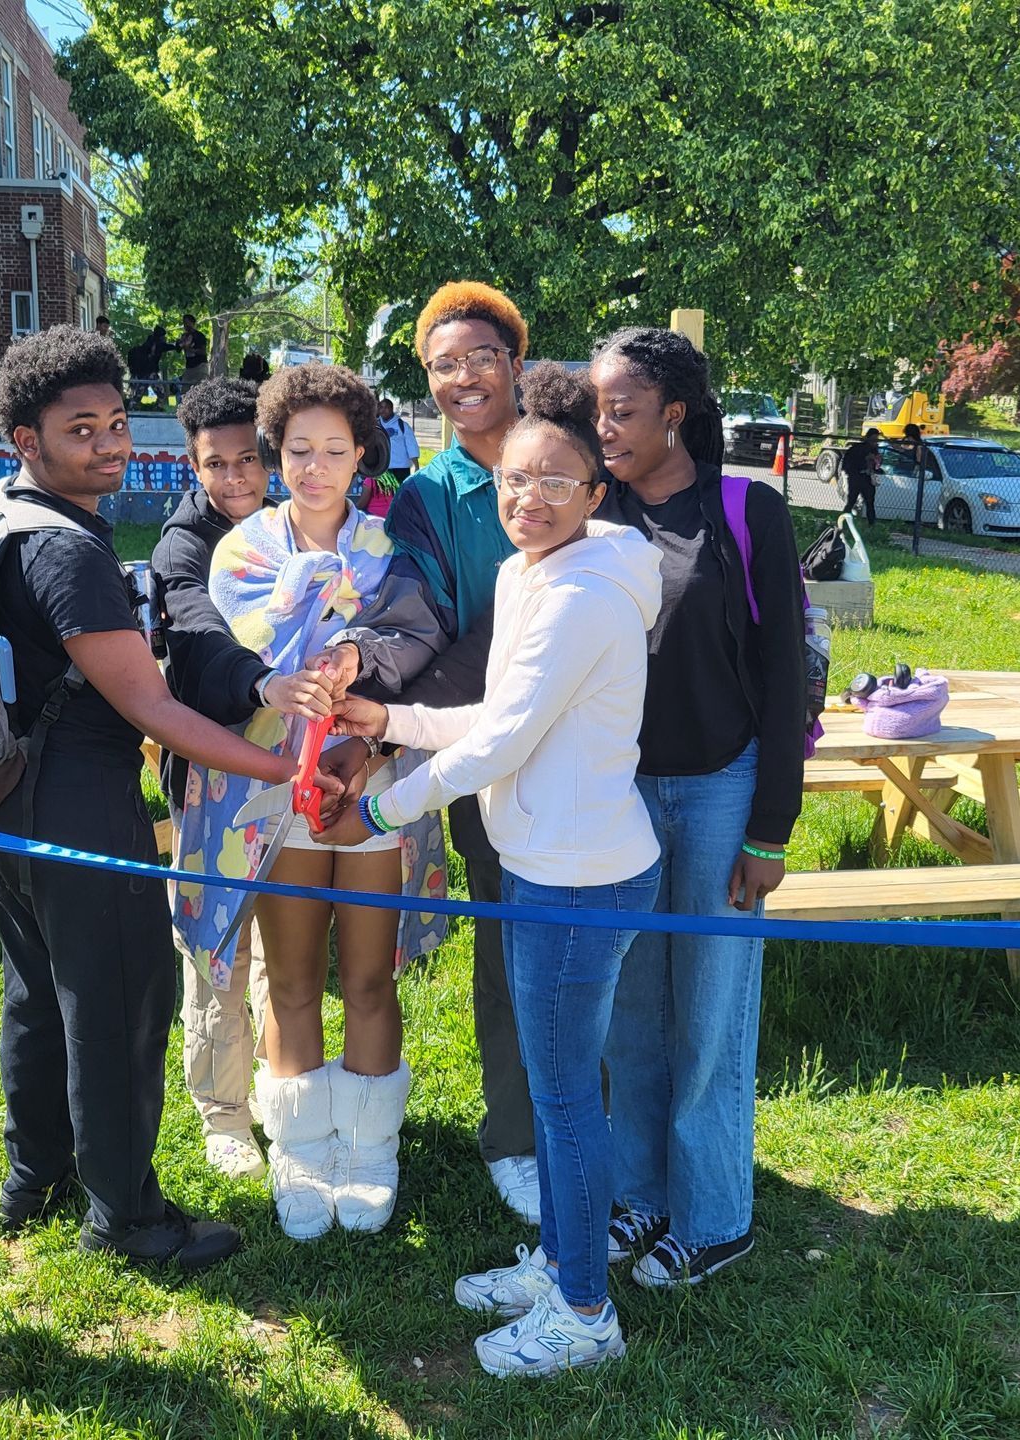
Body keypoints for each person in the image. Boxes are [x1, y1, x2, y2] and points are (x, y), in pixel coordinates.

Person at [0, 326, 337, 1269]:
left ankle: (36, 1177)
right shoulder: (69, 553)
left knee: (38, 992)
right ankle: (128, 1219)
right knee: (120, 1002)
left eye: (117, 422)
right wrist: (283, 771)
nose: (108, 444)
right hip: (74, 801)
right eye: (80, 429)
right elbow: (154, 708)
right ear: (26, 440)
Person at [321, 367, 661, 1377]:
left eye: (557, 482)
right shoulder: (529, 574)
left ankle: (586, 1313)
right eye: (516, 479)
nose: (530, 499)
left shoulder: (585, 594)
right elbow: (496, 715)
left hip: (579, 877)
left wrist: (380, 806)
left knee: (565, 1101)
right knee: (558, 1095)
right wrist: (390, 718)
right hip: (542, 863)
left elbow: (501, 744)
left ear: (596, 491)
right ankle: (560, 1262)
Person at [171, 362, 450, 1242]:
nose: (316, 467)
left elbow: (417, 645)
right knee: (290, 979)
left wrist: (358, 686)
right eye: (299, 450)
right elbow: (225, 656)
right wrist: (277, 683)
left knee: (368, 977)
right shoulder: (241, 552)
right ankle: (299, 1148)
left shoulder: (391, 550)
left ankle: (369, 1148)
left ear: (363, 452)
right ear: (276, 452)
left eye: (335, 449)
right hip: (271, 791)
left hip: (368, 787)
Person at [591, 326, 806, 1288]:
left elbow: (784, 673)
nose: (603, 428)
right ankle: (641, 1195)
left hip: (724, 789)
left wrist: (771, 829)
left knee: (710, 1012)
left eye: (622, 411)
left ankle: (715, 1216)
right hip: (622, 794)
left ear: (674, 414)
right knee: (633, 1009)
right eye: (596, 410)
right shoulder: (593, 515)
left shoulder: (747, 511)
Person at [154, 377, 348, 1181]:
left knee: (283, 945)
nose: (234, 478)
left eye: (247, 461)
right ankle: (222, 1114)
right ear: (193, 466)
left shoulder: (299, 527)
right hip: (219, 772)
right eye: (215, 464)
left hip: (302, 773)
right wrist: (262, 682)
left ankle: (281, 1086)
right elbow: (201, 636)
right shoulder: (187, 547)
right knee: (218, 948)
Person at [383, 280, 541, 1223]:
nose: (465, 377)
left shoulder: (569, 455)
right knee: (509, 942)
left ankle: (606, 1117)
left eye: (482, 356)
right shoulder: (427, 498)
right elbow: (424, 625)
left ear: (516, 361)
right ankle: (516, 1135)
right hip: (488, 751)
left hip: (603, 747)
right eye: (444, 365)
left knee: (609, 937)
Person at [127, 324, 177, 408]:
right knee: (157, 394)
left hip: (146, 374)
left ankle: (156, 408)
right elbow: (168, 347)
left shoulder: (151, 343)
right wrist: (178, 345)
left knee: (139, 395)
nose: (164, 339)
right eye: (163, 337)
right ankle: (156, 408)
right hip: (148, 374)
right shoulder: (156, 344)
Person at [841, 426, 882, 524]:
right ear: (868, 438)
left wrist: (876, 462)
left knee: (869, 503)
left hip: (867, 478)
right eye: (873, 439)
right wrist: (866, 459)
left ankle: (871, 524)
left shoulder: (874, 449)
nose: (875, 442)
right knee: (852, 501)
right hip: (856, 477)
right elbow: (849, 463)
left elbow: (876, 464)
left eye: (876, 440)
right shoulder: (858, 448)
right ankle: (843, 521)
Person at [378, 397, 420, 480]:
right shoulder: (376, 425)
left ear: (391, 409)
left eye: (386, 407)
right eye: (381, 407)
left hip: (401, 468)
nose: (383, 410)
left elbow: (411, 446)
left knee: (401, 488)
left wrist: (416, 466)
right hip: (382, 468)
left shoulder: (402, 426)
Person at [177, 313, 210, 391]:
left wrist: (189, 349)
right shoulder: (184, 336)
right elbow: (178, 350)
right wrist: (179, 343)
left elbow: (203, 352)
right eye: (184, 323)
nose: (185, 325)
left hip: (200, 366)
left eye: (187, 322)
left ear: (192, 323)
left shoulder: (199, 336)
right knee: (185, 391)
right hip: (189, 367)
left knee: (201, 391)